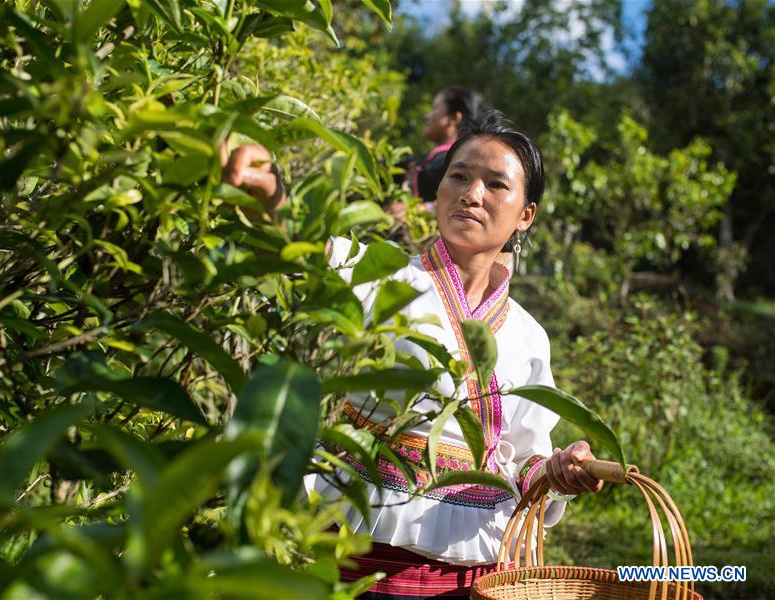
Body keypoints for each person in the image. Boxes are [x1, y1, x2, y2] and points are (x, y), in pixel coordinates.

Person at [222, 110, 603, 599]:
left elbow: (526, 458)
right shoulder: (382, 275)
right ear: (439, 190)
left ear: (525, 214)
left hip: (478, 567)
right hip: (361, 546)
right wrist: (270, 192)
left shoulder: (529, 335)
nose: (471, 194)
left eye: (495, 184)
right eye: (459, 176)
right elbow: (301, 248)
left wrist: (563, 467)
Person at [406, 86, 484, 210]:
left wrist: (419, 210)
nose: (428, 116)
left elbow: (462, 202)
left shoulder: (462, 160)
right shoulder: (431, 158)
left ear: (453, 118)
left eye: (434, 109)